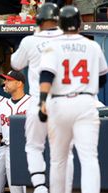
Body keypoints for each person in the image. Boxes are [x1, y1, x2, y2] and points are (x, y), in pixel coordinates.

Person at [38, 5, 108, 193]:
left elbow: (46, 75)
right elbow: (102, 77)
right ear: (79, 23)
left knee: (59, 158)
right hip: (86, 103)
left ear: (60, 24)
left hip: (59, 104)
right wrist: (86, 88)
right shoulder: (93, 46)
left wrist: (43, 101)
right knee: (89, 158)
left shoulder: (53, 46)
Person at [10, 3, 74, 193]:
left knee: (34, 147)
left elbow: (15, 63)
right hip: (64, 102)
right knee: (65, 152)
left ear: (39, 20)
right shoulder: (70, 39)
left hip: (39, 102)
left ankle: (39, 187)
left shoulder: (31, 40)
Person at [0, 70, 30, 193]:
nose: (5, 82)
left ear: (19, 84)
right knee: (15, 189)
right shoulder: (2, 106)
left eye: (9, 80)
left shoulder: (32, 103)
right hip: (10, 149)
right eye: (5, 79)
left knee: (30, 188)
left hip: (29, 149)